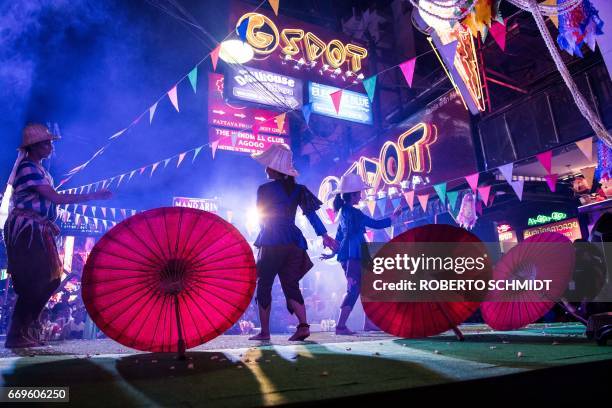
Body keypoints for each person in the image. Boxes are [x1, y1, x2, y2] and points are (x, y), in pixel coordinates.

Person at [3, 123, 112, 348]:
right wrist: (94, 196)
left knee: (51, 279)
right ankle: (17, 333)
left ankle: (23, 329)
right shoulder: (28, 167)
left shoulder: (40, 170)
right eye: (45, 143)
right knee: (37, 280)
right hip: (27, 227)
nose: (50, 146)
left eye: (50, 142)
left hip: (37, 226)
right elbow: (56, 199)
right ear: (33, 147)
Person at [248, 144, 338, 342]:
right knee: (291, 285)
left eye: (268, 165)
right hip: (294, 241)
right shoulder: (299, 190)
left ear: (274, 169)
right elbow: (311, 215)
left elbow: (262, 217)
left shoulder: (263, 189)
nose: (265, 169)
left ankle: (264, 332)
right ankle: (303, 327)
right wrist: (324, 235)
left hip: (272, 240)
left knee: (264, 285)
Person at [321, 174, 401, 335]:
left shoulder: (343, 212)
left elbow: (339, 237)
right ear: (353, 195)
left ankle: (368, 323)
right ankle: (341, 326)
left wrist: (334, 253)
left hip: (354, 256)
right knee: (354, 289)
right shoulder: (354, 213)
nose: (361, 195)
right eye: (359, 193)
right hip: (355, 257)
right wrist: (393, 217)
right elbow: (375, 224)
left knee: (367, 288)